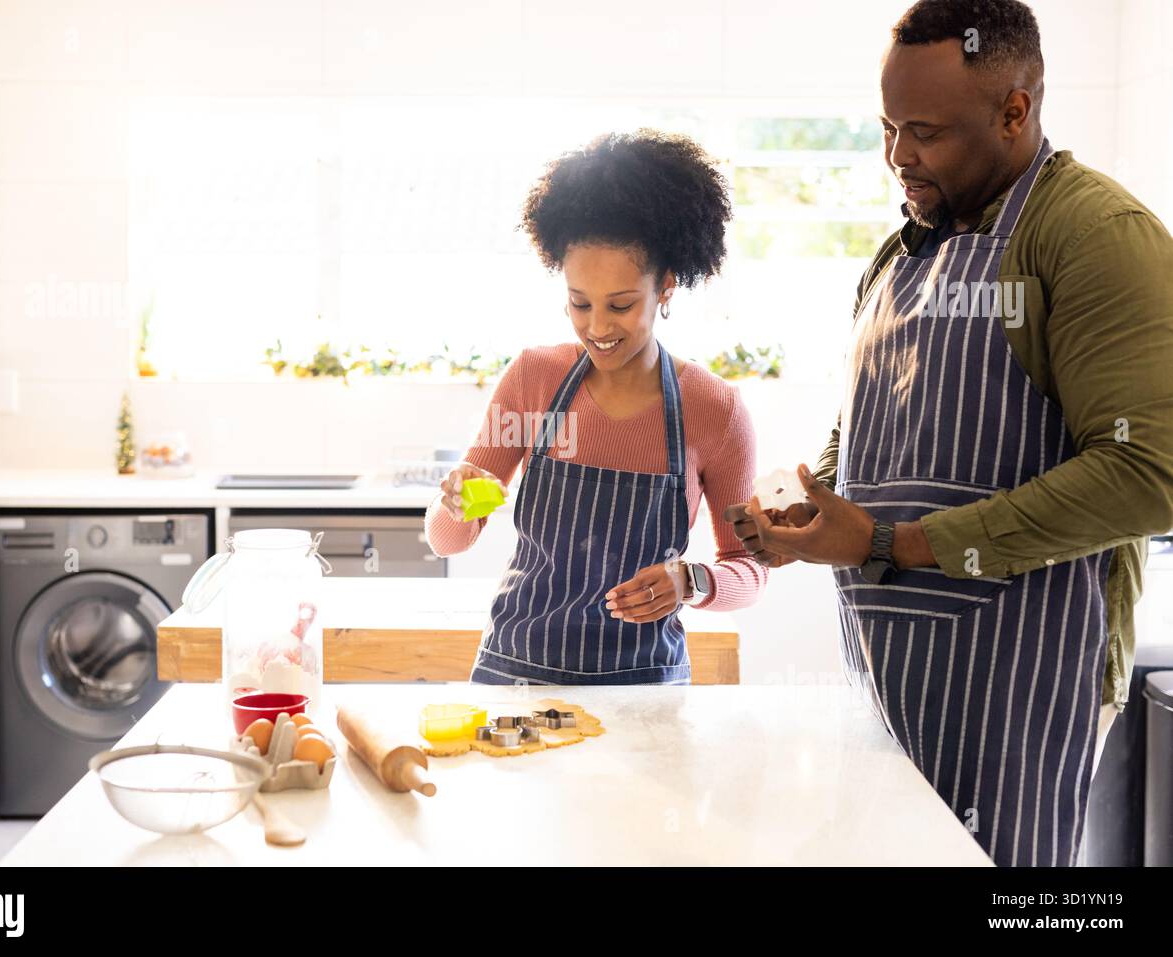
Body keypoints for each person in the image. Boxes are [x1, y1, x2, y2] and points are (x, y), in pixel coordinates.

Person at [731, 0, 1173, 867]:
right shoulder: (902, 253)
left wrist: (904, 541)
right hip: (888, 678)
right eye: (889, 127)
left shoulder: (1091, 235)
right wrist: (804, 512)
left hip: (1021, 692)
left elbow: (1148, 470)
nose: (898, 155)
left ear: (1016, 111)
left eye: (925, 131)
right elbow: (862, 427)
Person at [425, 130, 767, 685]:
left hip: (644, 692)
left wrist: (690, 581)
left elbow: (750, 566)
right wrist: (457, 503)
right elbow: (448, 539)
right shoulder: (535, 380)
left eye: (622, 305)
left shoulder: (716, 411)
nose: (598, 328)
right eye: (579, 304)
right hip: (516, 681)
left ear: (668, 286)